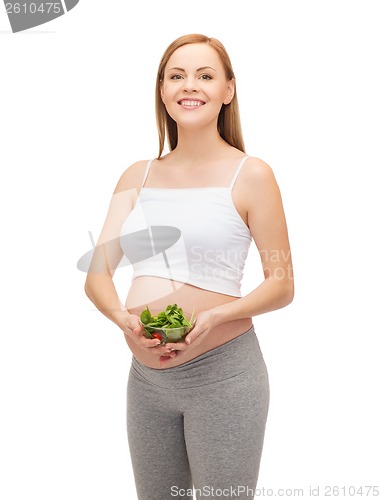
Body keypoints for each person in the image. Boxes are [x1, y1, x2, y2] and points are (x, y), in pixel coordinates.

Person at [84, 33, 294, 500]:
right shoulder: (136, 175)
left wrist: (217, 316)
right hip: (147, 384)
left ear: (228, 90)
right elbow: (98, 272)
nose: (188, 85)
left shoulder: (251, 174)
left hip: (224, 379)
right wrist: (122, 318)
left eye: (204, 75)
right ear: (162, 90)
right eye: (176, 76)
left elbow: (281, 284)